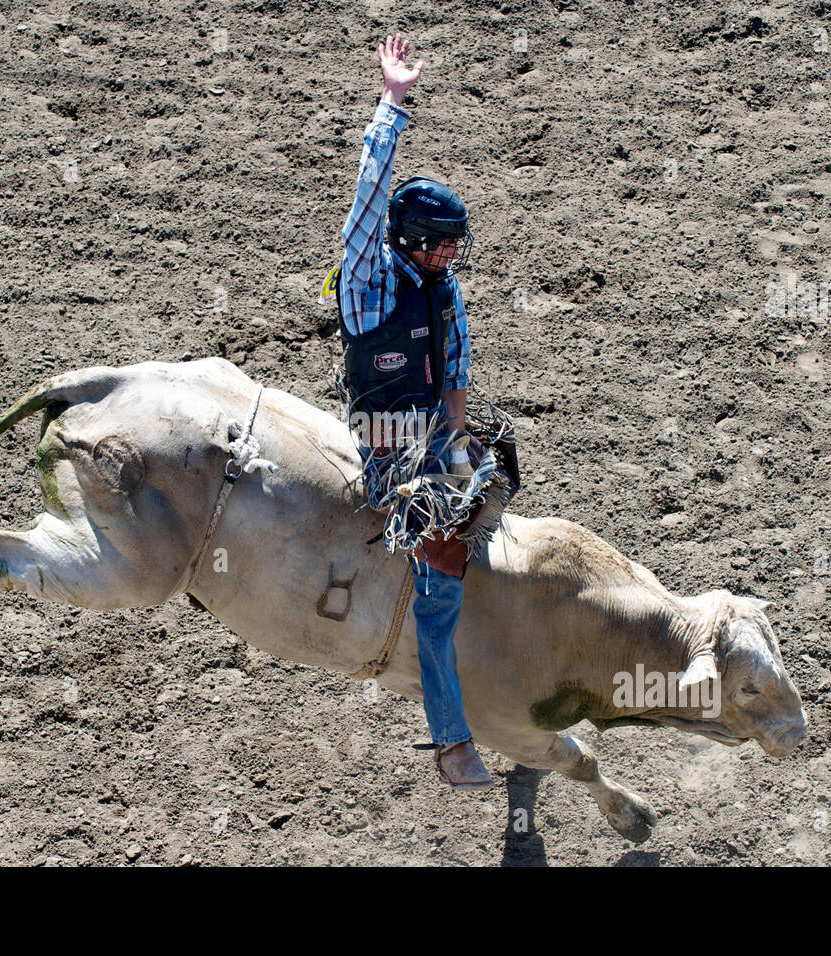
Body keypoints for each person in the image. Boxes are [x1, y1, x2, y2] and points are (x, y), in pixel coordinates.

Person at [336, 33, 492, 790]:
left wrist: (459, 444)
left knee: (494, 481)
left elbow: (455, 367)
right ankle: (452, 738)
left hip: (432, 432)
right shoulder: (368, 282)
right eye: (439, 248)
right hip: (384, 441)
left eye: (455, 249)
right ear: (407, 242)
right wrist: (392, 103)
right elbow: (365, 201)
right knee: (436, 576)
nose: (449, 260)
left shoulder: (443, 288)